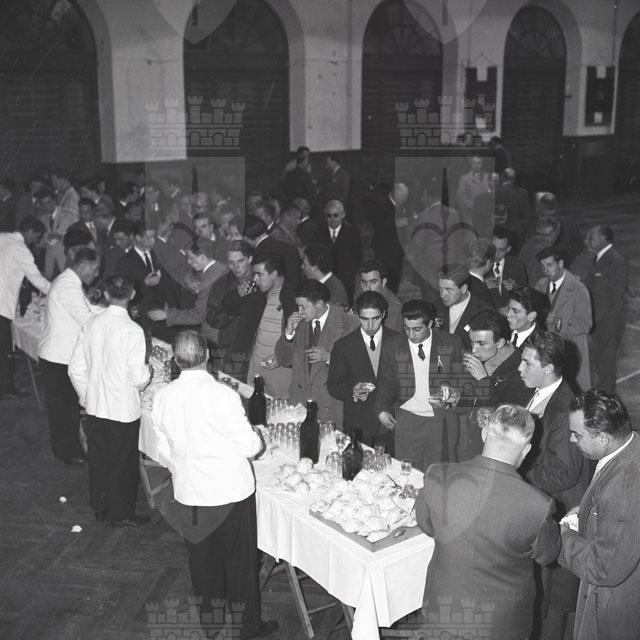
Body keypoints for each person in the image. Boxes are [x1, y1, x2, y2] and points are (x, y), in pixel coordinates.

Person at [150, 330, 278, 640]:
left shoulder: (163, 396)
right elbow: (250, 447)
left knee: (203, 562)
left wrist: (183, 467)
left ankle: (211, 625)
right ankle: (248, 628)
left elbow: (163, 448)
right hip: (230, 493)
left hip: (190, 494)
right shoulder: (222, 395)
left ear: (176, 360)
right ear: (207, 355)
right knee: (240, 564)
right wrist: (258, 437)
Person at [416, 404, 561, 640]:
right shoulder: (538, 505)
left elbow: (426, 525)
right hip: (502, 626)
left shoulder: (438, 476)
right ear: (526, 449)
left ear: (484, 433)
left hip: (444, 613)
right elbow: (547, 556)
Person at [518, 330, 589, 639]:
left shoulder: (563, 408)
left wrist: (515, 472)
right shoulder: (540, 392)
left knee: (551, 607)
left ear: (547, 367)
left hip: (559, 510)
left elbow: (563, 473)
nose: (520, 368)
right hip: (541, 505)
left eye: (527, 363)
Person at [68, 275, 151, 527]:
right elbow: (137, 378)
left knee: (99, 459)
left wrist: (87, 395)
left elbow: (75, 369)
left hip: (96, 407)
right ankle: (121, 513)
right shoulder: (132, 331)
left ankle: (100, 507)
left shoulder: (91, 323)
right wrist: (148, 372)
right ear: (132, 294)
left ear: (105, 294)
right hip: (122, 410)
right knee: (123, 463)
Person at [560, 390, 640, 640]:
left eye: (578, 434)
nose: (571, 440)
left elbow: (604, 568)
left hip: (612, 611)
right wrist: (588, 514)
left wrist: (561, 536)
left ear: (603, 437)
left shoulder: (625, 484)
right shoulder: (628, 447)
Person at [374, 299, 467, 471]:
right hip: (407, 419)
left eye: (417, 329)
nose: (411, 334)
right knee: (407, 474)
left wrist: (454, 393)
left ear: (430, 324)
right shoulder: (392, 347)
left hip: (441, 419)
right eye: (406, 328)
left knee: (441, 475)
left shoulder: (452, 343)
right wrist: (381, 409)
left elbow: (464, 380)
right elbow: (385, 383)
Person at [38, 247, 103, 466]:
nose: (96, 275)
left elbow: (89, 309)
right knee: (64, 409)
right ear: (84, 266)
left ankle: (66, 449)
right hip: (58, 357)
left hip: (59, 355)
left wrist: (112, 311)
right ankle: (67, 452)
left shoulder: (71, 282)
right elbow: (87, 319)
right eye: (95, 269)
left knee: (66, 408)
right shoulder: (67, 286)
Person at [275, 279, 359, 423]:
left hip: (330, 406)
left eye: (303, 307)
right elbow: (283, 360)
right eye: (298, 306)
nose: (299, 312)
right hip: (300, 405)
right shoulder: (299, 323)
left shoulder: (349, 324)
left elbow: (357, 366)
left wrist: (329, 357)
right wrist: (289, 334)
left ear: (319, 304)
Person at [327, 291, 399, 449]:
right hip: (358, 423)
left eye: (375, 318)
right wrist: (352, 391)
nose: (370, 325)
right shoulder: (343, 346)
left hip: (391, 422)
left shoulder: (399, 341)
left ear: (384, 315)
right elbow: (333, 385)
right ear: (357, 316)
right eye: (365, 319)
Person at [0, 216, 50, 399]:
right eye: (36, 236)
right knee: (4, 350)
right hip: (1, 304)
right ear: (29, 231)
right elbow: (37, 279)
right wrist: (59, 291)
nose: (35, 240)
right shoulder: (21, 249)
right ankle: (7, 389)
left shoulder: (3, 237)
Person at [535, 246, 592, 392]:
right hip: (548, 352)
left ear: (560, 264)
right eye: (542, 266)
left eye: (549, 265)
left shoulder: (578, 289)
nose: (545, 270)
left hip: (571, 352)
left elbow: (585, 324)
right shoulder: (540, 285)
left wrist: (559, 322)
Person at [584, 224, 629, 392]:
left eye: (591, 237)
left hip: (608, 322)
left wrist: (608, 323)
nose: (587, 241)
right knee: (600, 361)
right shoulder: (599, 258)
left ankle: (605, 396)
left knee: (606, 363)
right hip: (599, 321)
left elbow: (618, 297)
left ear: (604, 239)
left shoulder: (615, 260)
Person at [246, 253, 296, 397]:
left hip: (279, 370)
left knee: (279, 409)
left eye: (259, 274)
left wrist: (282, 357)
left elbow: (302, 337)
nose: (255, 279)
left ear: (274, 274)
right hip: (255, 365)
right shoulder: (257, 295)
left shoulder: (294, 299)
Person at [463, 309, 530, 406]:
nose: (474, 350)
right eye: (472, 342)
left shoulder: (521, 372)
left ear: (499, 343)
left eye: (481, 343)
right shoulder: (480, 358)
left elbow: (503, 412)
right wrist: (456, 399)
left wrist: (483, 380)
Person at [312, 199, 362, 305]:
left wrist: (349, 273)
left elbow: (358, 258)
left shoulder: (353, 234)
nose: (332, 219)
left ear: (343, 215)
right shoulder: (318, 234)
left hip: (346, 281)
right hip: (325, 279)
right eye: (329, 216)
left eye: (335, 215)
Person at [436, 263, 492, 350]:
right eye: (440, 288)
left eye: (448, 289)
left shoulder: (484, 312)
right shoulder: (435, 307)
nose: (442, 294)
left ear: (463, 289)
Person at [370, 182, 408, 293]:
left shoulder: (400, 207)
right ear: (397, 194)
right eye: (404, 196)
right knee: (386, 281)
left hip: (397, 250)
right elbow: (379, 225)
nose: (406, 199)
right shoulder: (381, 205)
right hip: (385, 251)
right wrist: (399, 223)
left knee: (395, 281)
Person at [355, 259, 403, 333]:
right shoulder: (360, 293)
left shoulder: (394, 307)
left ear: (383, 282)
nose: (368, 288)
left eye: (373, 282)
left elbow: (392, 337)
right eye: (364, 282)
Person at [488, 225, 527, 310]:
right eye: (493, 248)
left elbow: (525, 296)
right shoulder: (478, 264)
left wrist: (515, 288)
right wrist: (483, 286)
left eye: (501, 250)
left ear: (508, 249)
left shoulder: (517, 266)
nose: (496, 254)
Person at [301, 243, 349, 307]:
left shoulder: (334, 292)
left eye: (304, 264)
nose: (302, 267)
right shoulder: (317, 284)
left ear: (314, 268)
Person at [456, 155, 490, 220]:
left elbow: (491, 193)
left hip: (485, 215)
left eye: (479, 162)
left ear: (482, 164)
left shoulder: (487, 177)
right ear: (471, 164)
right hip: (470, 214)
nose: (477, 165)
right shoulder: (464, 179)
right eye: (474, 163)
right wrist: (474, 206)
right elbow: (460, 197)